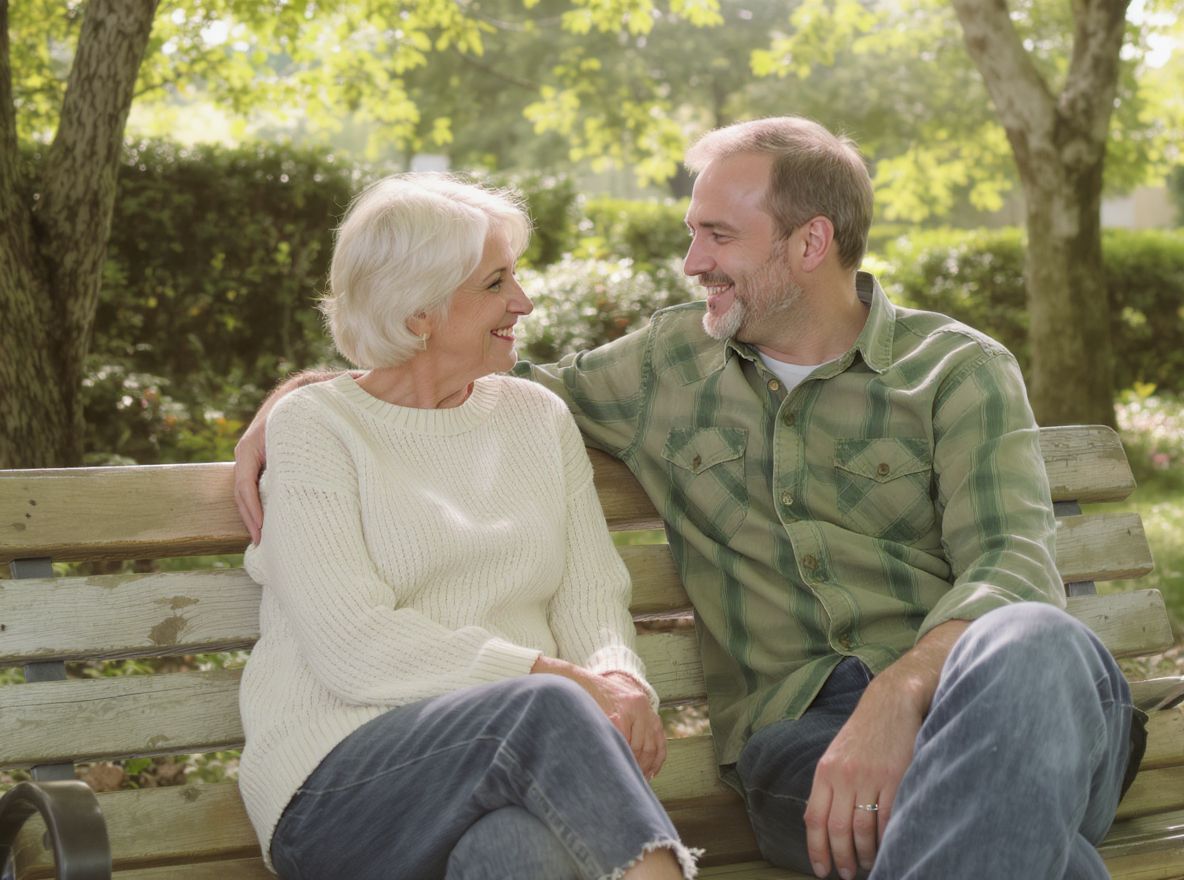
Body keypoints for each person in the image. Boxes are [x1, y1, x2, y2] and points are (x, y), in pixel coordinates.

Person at [235, 119, 1141, 880]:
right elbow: (438, 380)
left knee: (1033, 639)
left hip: (1007, 700)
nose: (688, 261)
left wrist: (900, 696)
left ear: (810, 242)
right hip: (808, 752)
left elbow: (1014, 567)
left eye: (716, 236)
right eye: (692, 233)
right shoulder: (665, 365)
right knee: (1023, 834)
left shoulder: (958, 371)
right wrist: (303, 398)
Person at [237, 173, 699, 880]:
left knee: (519, 853)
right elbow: (352, 647)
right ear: (419, 312)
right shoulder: (318, 428)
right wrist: (549, 677)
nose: (525, 301)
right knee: (544, 704)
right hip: (337, 788)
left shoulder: (536, 417)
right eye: (495, 285)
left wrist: (614, 675)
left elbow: (589, 596)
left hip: (510, 767)